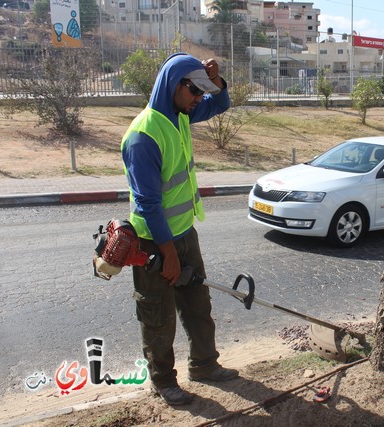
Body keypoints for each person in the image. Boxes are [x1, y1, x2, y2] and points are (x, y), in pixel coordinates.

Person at [121, 53, 238, 406]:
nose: (199, 98)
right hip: (154, 242)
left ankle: (204, 365)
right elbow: (148, 204)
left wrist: (215, 81)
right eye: (194, 90)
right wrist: (168, 252)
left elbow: (222, 103)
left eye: (201, 91)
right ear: (173, 85)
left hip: (185, 232)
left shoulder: (181, 114)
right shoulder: (143, 135)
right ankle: (162, 380)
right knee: (158, 316)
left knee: (197, 304)